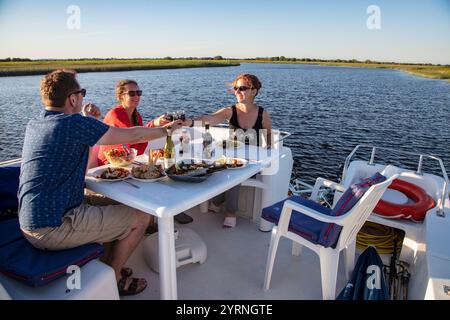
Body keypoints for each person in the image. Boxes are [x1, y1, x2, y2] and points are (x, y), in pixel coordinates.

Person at [18, 69, 181, 296]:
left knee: (117, 204)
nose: (83, 97)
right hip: (52, 226)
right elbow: (132, 136)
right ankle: (113, 279)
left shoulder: (36, 124)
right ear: (73, 99)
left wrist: (89, 120)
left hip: (33, 218)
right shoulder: (74, 124)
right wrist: (166, 130)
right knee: (141, 218)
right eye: (81, 92)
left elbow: (71, 144)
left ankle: (106, 267)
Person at [97, 79, 193, 225]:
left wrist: (155, 123)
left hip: (127, 160)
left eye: (139, 92)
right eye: (132, 93)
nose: (137, 96)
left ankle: (167, 212)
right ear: (121, 96)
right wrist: (165, 129)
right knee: (153, 177)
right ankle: (155, 219)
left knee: (161, 172)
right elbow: (134, 137)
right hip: (111, 165)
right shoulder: (115, 114)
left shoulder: (136, 115)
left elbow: (139, 139)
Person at [193, 73, 272, 228]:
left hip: (252, 162)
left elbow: (268, 132)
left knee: (233, 175)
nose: (237, 91)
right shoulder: (230, 111)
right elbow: (211, 118)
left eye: (242, 88)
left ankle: (230, 213)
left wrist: (268, 145)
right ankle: (216, 201)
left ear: (253, 91)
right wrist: (191, 121)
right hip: (231, 157)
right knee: (213, 166)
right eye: (236, 88)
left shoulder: (262, 113)